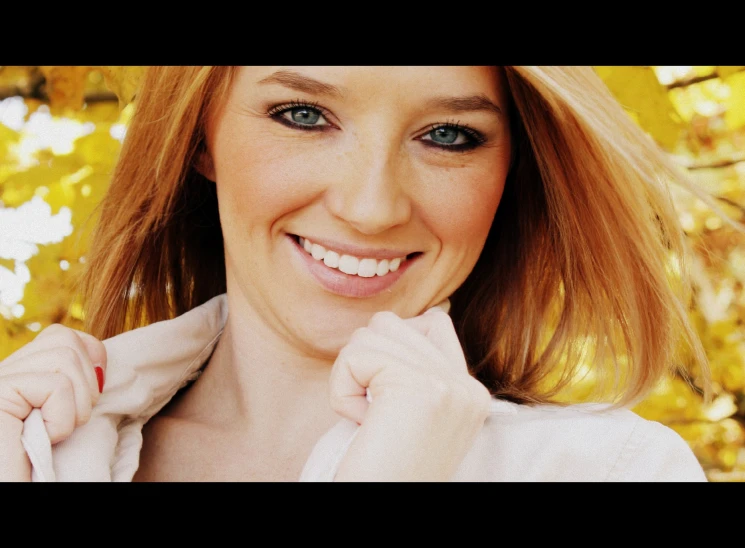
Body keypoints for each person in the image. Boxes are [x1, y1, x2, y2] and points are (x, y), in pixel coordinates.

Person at [0, 66, 714, 481]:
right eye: (304, 115)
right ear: (199, 136)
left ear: (509, 173)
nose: (370, 208)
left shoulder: (606, 471)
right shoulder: (36, 449)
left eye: (447, 136)